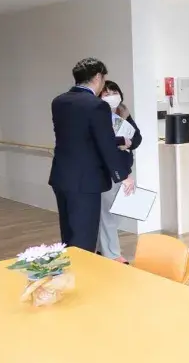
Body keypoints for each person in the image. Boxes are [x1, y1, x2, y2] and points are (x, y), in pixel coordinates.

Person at [49, 58, 134, 253]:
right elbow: (104, 143)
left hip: (61, 177)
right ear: (97, 77)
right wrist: (123, 175)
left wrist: (119, 141)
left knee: (69, 236)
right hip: (85, 181)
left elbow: (81, 137)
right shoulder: (96, 105)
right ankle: (82, 271)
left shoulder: (59, 101)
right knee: (84, 240)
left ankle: (72, 268)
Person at [98, 80, 142, 263]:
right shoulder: (99, 115)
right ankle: (113, 254)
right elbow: (104, 142)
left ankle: (101, 248)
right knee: (108, 214)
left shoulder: (123, 112)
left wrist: (127, 143)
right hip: (109, 171)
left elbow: (137, 138)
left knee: (120, 212)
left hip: (125, 170)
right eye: (106, 93)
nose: (111, 96)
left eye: (114, 92)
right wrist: (122, 142)